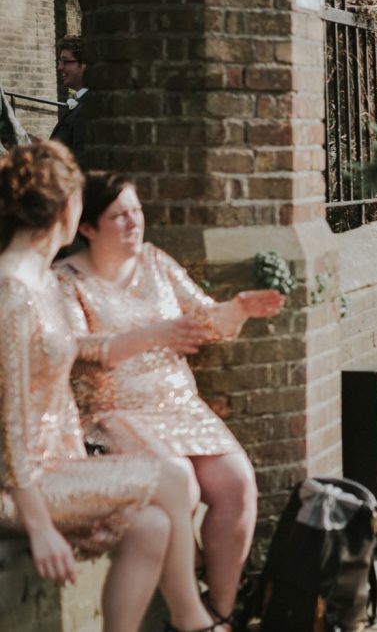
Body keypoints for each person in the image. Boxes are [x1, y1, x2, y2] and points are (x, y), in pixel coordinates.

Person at [0, 142, 225, 632]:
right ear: (65, 210)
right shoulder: (13, 293)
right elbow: (11, 427)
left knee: (153, 527)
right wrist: (39, 529)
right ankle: (195, 622)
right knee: (168, 478)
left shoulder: (38, 278)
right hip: (22, 484)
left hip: (58, 464)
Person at [55, 172, 284, 626]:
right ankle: (189, 611)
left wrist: (236, 309)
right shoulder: (66, 281)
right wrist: (152, 335)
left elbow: (201, 319)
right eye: (119, 215)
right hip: (112, 409)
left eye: (137, 211)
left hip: (179, 405)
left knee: (237, 482)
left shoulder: (156, 262)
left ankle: (219, 611)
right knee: (183, 481)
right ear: (87, 227)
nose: (133, 223)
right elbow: (75, 349)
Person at [50, 36, 91, 163]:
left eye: (65, 61)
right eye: (59, 62)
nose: (59, 67)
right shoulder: (80, 102)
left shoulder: (88, 108)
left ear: (83, 65)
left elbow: (80, 160)